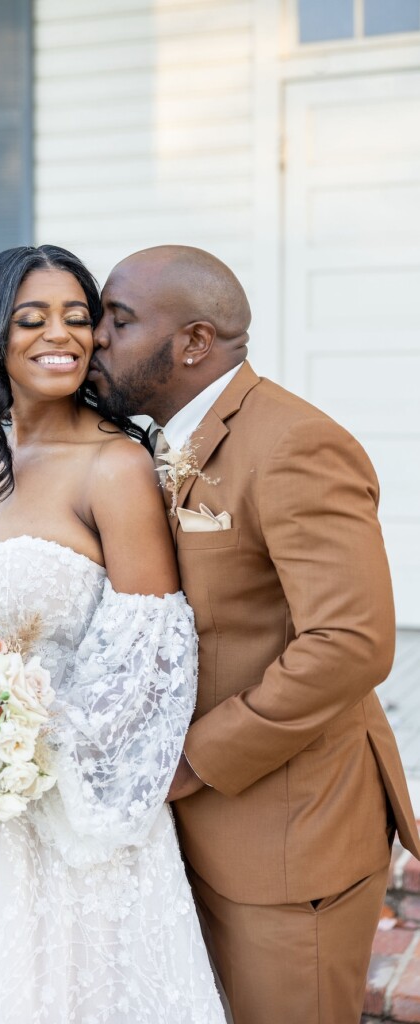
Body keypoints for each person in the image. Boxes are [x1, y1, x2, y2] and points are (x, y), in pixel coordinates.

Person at [0, 244, 225, 1023]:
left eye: (78, 317)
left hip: (63, 830)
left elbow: (147, 673)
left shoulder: (114, 469)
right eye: (31, 319)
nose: (59, 335)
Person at [89, 243, 420, 1024]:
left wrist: (194, 760)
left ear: (195, 342)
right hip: (183, 838)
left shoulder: (295, 445)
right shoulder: (148, 447)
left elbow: (350, 642)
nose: (94, 336)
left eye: (118, 319)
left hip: (288, 837)